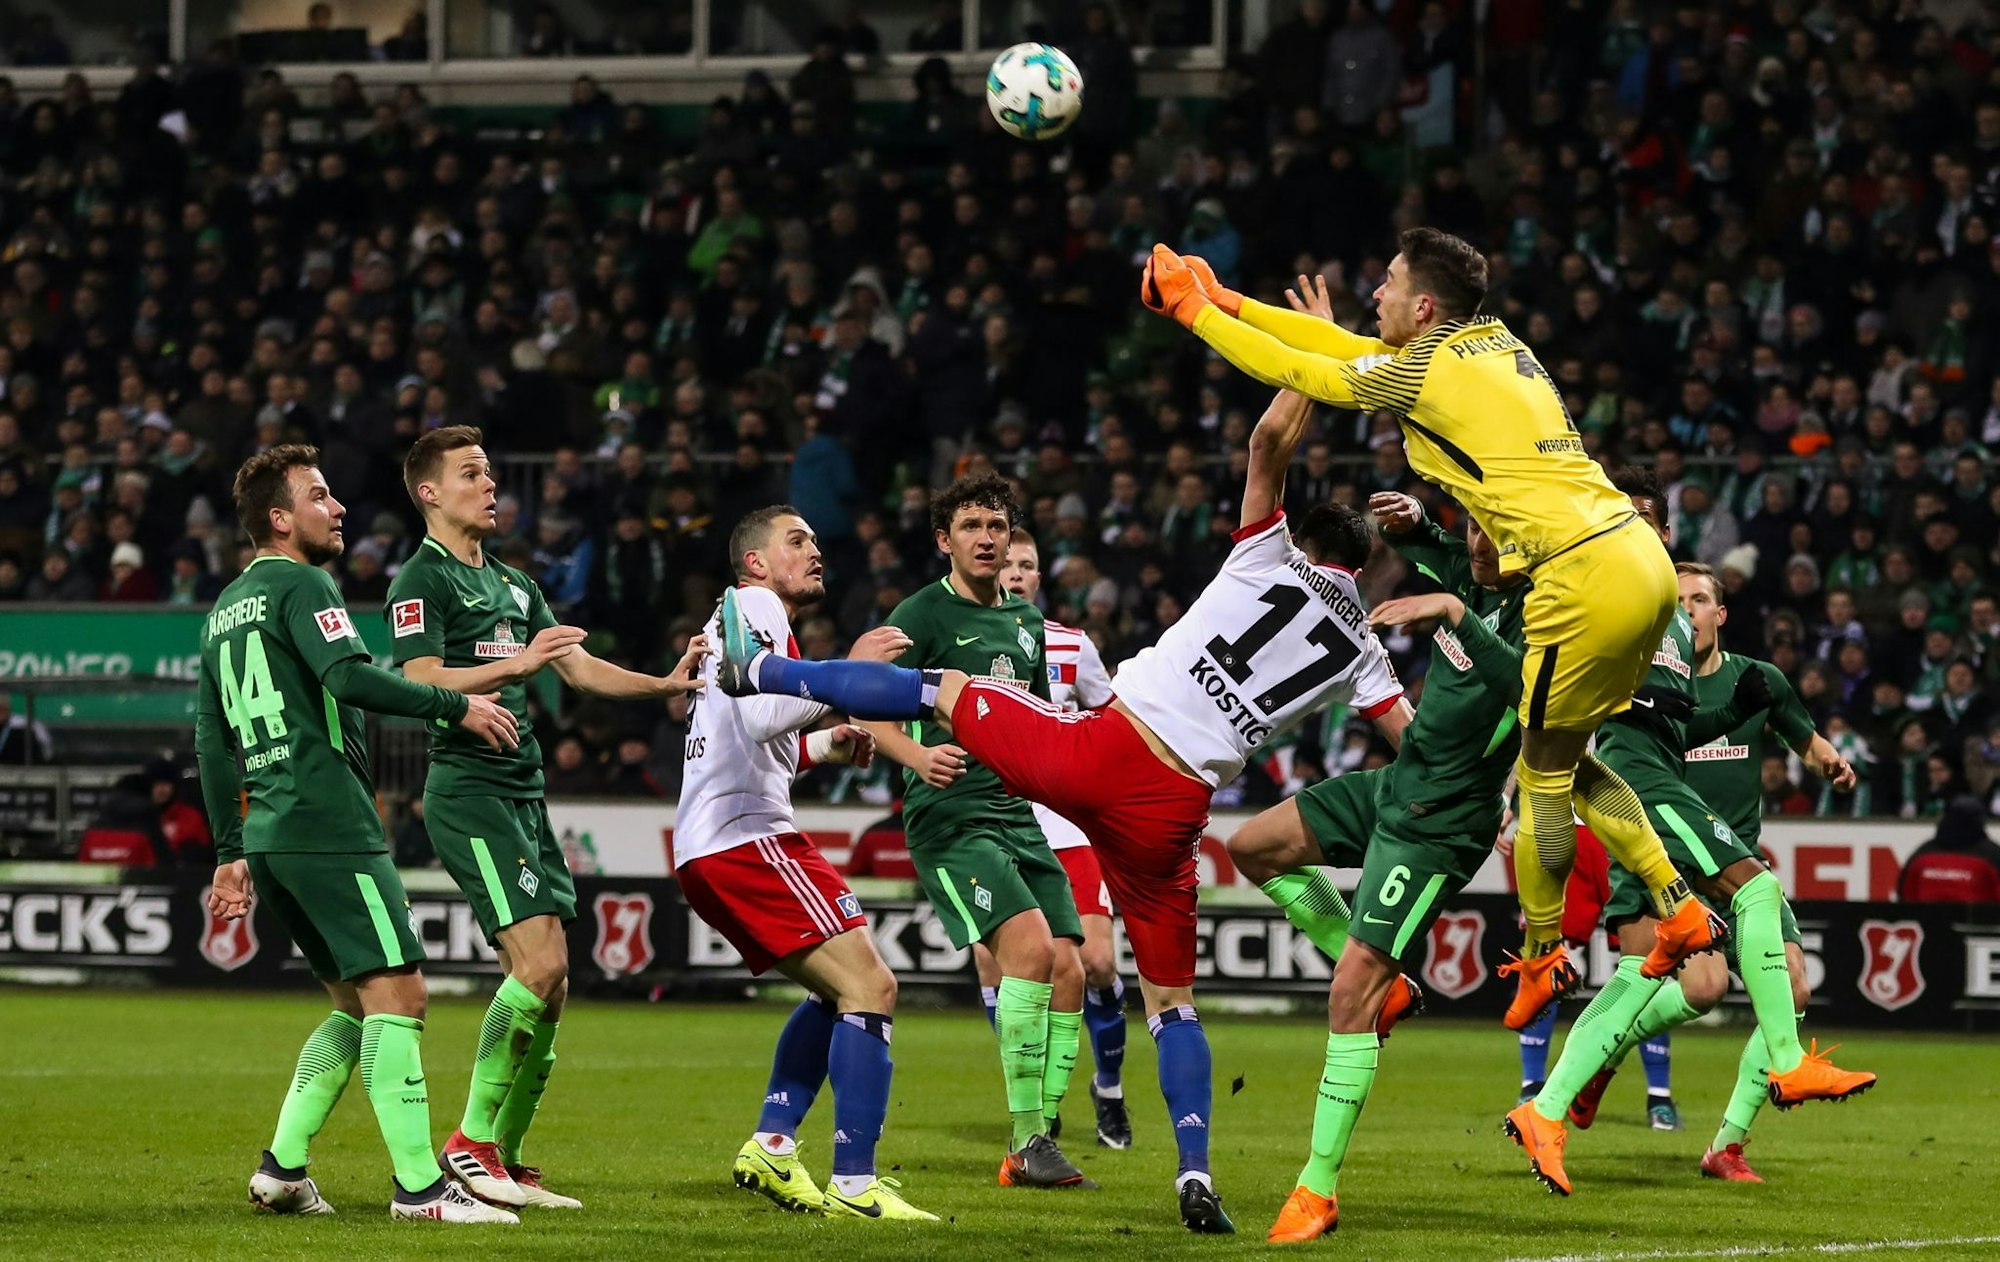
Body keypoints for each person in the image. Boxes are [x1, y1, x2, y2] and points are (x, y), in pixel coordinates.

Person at [713, 388, 1415, 1233]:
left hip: (1106, 753)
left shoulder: (1265, 554)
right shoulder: (1366, 649)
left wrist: (1312, 360)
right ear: (1367, 570)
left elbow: (1268, 439)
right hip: (1179, 808)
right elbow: (1418, 747)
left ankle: (764, 673)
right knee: (1173, 1004)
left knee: (946, 691)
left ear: (1299, 538)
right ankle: (1194, 1174)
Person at [1147, 243, 1718, 1026]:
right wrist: (1233, 300)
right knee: (1567, 757)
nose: (1375, 292)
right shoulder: (1492, 344)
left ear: (1423, 308)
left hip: (1578, 574)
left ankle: (1544, 956)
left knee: (1545, 780)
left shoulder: (1428, 369)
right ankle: (1678, 904)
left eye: (1388, 282)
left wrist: (1193, 312)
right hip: (1639, 560)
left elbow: (1322, 376)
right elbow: (1345, 348)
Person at [1502, 472, 1874, 1197]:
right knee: (1743, 905)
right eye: (1623, 515)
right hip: (1639, 787)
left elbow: (1681, 725)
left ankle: (1554, 1107)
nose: (1690, 604)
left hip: (1661, 785)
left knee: (1713, 975)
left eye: (1703, 596)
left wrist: (1747, 717)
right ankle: (1788, 1066)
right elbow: (1571, 675)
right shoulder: (1627, 595)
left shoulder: (1685, 635)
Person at [195, 444, 521, 1224]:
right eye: (319, 495)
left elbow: (212, 742)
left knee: (353, 1007)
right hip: (329, 825)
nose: (337, 507)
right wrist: (454, 706)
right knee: (400, 997)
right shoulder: (303, 584)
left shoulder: (221, 611)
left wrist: (230, 853)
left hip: (272, 831)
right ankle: (419, 1188)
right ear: (280, 520)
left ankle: (282, 1168)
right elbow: (349, 676)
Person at [384, 426, 707, 1210]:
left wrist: (665, 684)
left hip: (524, 793)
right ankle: (468, 1145)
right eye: (471, 474)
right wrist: (513, 666)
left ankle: (510, 1156)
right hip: (468, 791)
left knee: (553, 985)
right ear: (429, 492)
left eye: (492, 472)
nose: (490, 485)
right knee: (536, 969)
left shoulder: (516, 584)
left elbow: (579, 665)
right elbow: (420, 673)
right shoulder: (417, 581)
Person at [1225, 486, 1524, 1242]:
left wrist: (1451, 613)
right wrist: (1419, 523)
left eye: (1491, 535)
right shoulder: (1473, 573)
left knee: (1347, 991)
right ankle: (1384, 997)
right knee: (1251, 847)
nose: (1475, 545)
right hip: (1398, 784)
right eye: (1474, 530)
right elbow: (1444, 553)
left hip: (1440, 829)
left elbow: (1529, 690)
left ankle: (1316, 1189)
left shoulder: (1553, 615)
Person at [682, 505, 936, 1221]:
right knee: (872, 986)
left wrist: (827, 743)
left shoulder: (744, 616)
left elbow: (766, 738)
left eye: (817, 540)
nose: (815, 551)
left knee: (838, 993)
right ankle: (856, 1184)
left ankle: (771, 1144)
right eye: (797, 541)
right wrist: (850, 673)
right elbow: (763, 712)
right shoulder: (754, 603)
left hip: (718, 842)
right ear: (756, 561)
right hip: (746, 837)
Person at [852, 473, 1095, 1193]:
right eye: (970, 527)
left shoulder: (1025, 621)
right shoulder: (920, 615)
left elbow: (1040, 723)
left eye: (996, 526)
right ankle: (1025, 1141)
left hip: (1016, 813)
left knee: (1071, 967)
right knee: (1024, 949)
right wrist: (917, 755)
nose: (986, 539)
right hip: (952, 817)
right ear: (944, 541)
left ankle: (1042, 1127)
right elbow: (866, 705)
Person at [972, 528, 1134, 1150]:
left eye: (1027, 565)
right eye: (1007, 564)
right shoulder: (961, 640)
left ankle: (1110, 1088)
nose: (1015, 574)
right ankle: (1037, 1096)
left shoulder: (1070, 645)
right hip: (992, 819)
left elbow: (1111, 720)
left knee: (1096, 962)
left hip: (1065, 823)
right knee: (1000, 964)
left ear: (1041, 578)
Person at [1897, 795, 2000, 902]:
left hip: (1926, 917)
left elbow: (1904, 895)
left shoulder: (1922, 854)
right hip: (1977, 918)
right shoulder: (1992, 856)